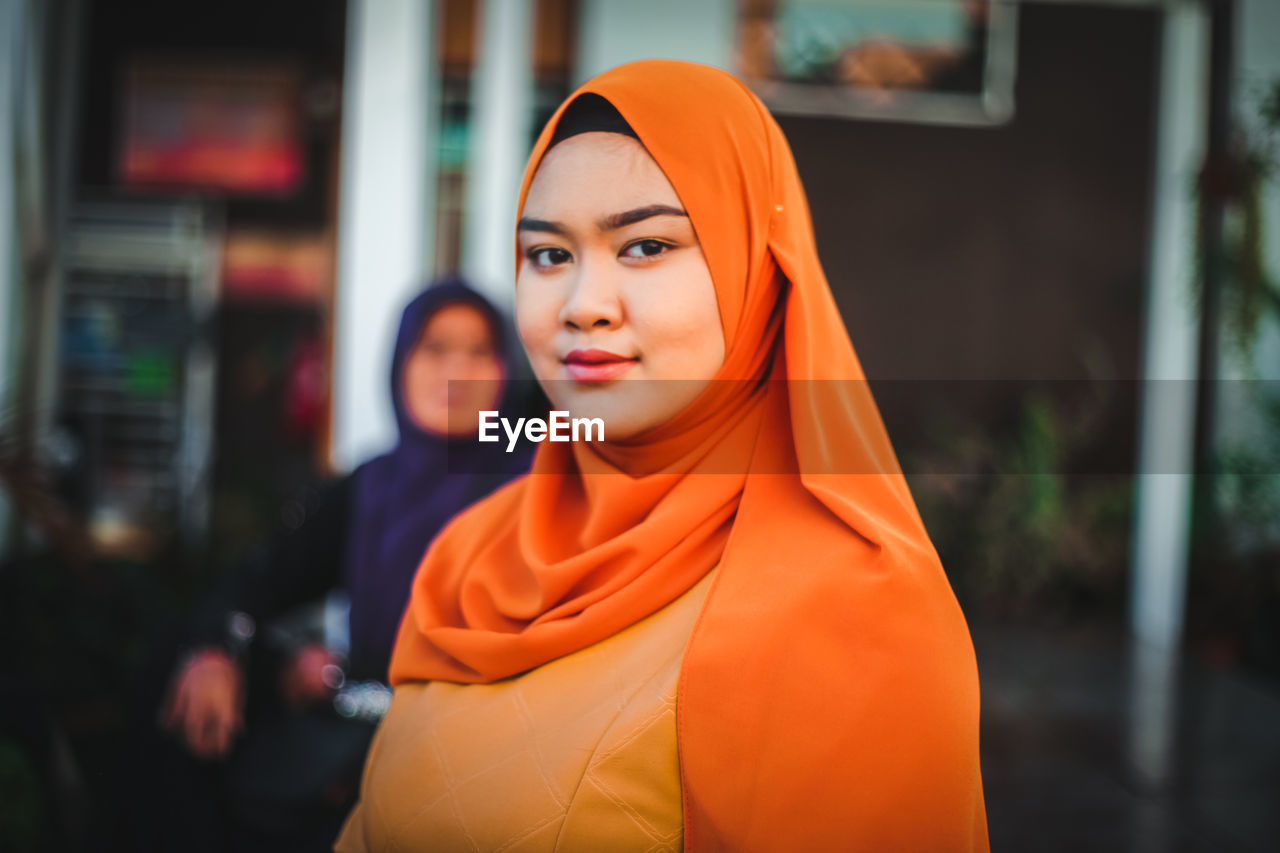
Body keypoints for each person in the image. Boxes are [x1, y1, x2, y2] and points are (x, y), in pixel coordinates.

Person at [337, 61, 987, 852]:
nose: (583, 305)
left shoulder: (858, 611)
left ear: (758, 269)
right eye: (547, 255)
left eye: (645, 244)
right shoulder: (475, 552)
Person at [146, 280, 532, 851]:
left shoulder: (539, 476)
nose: (458, 368)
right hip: (358, 743)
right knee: (174, 683)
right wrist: (217, 649)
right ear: (400, 362)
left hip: (488, 760)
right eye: (435, 346)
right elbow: (262, 579)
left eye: (480, 351)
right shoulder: (372, 484)